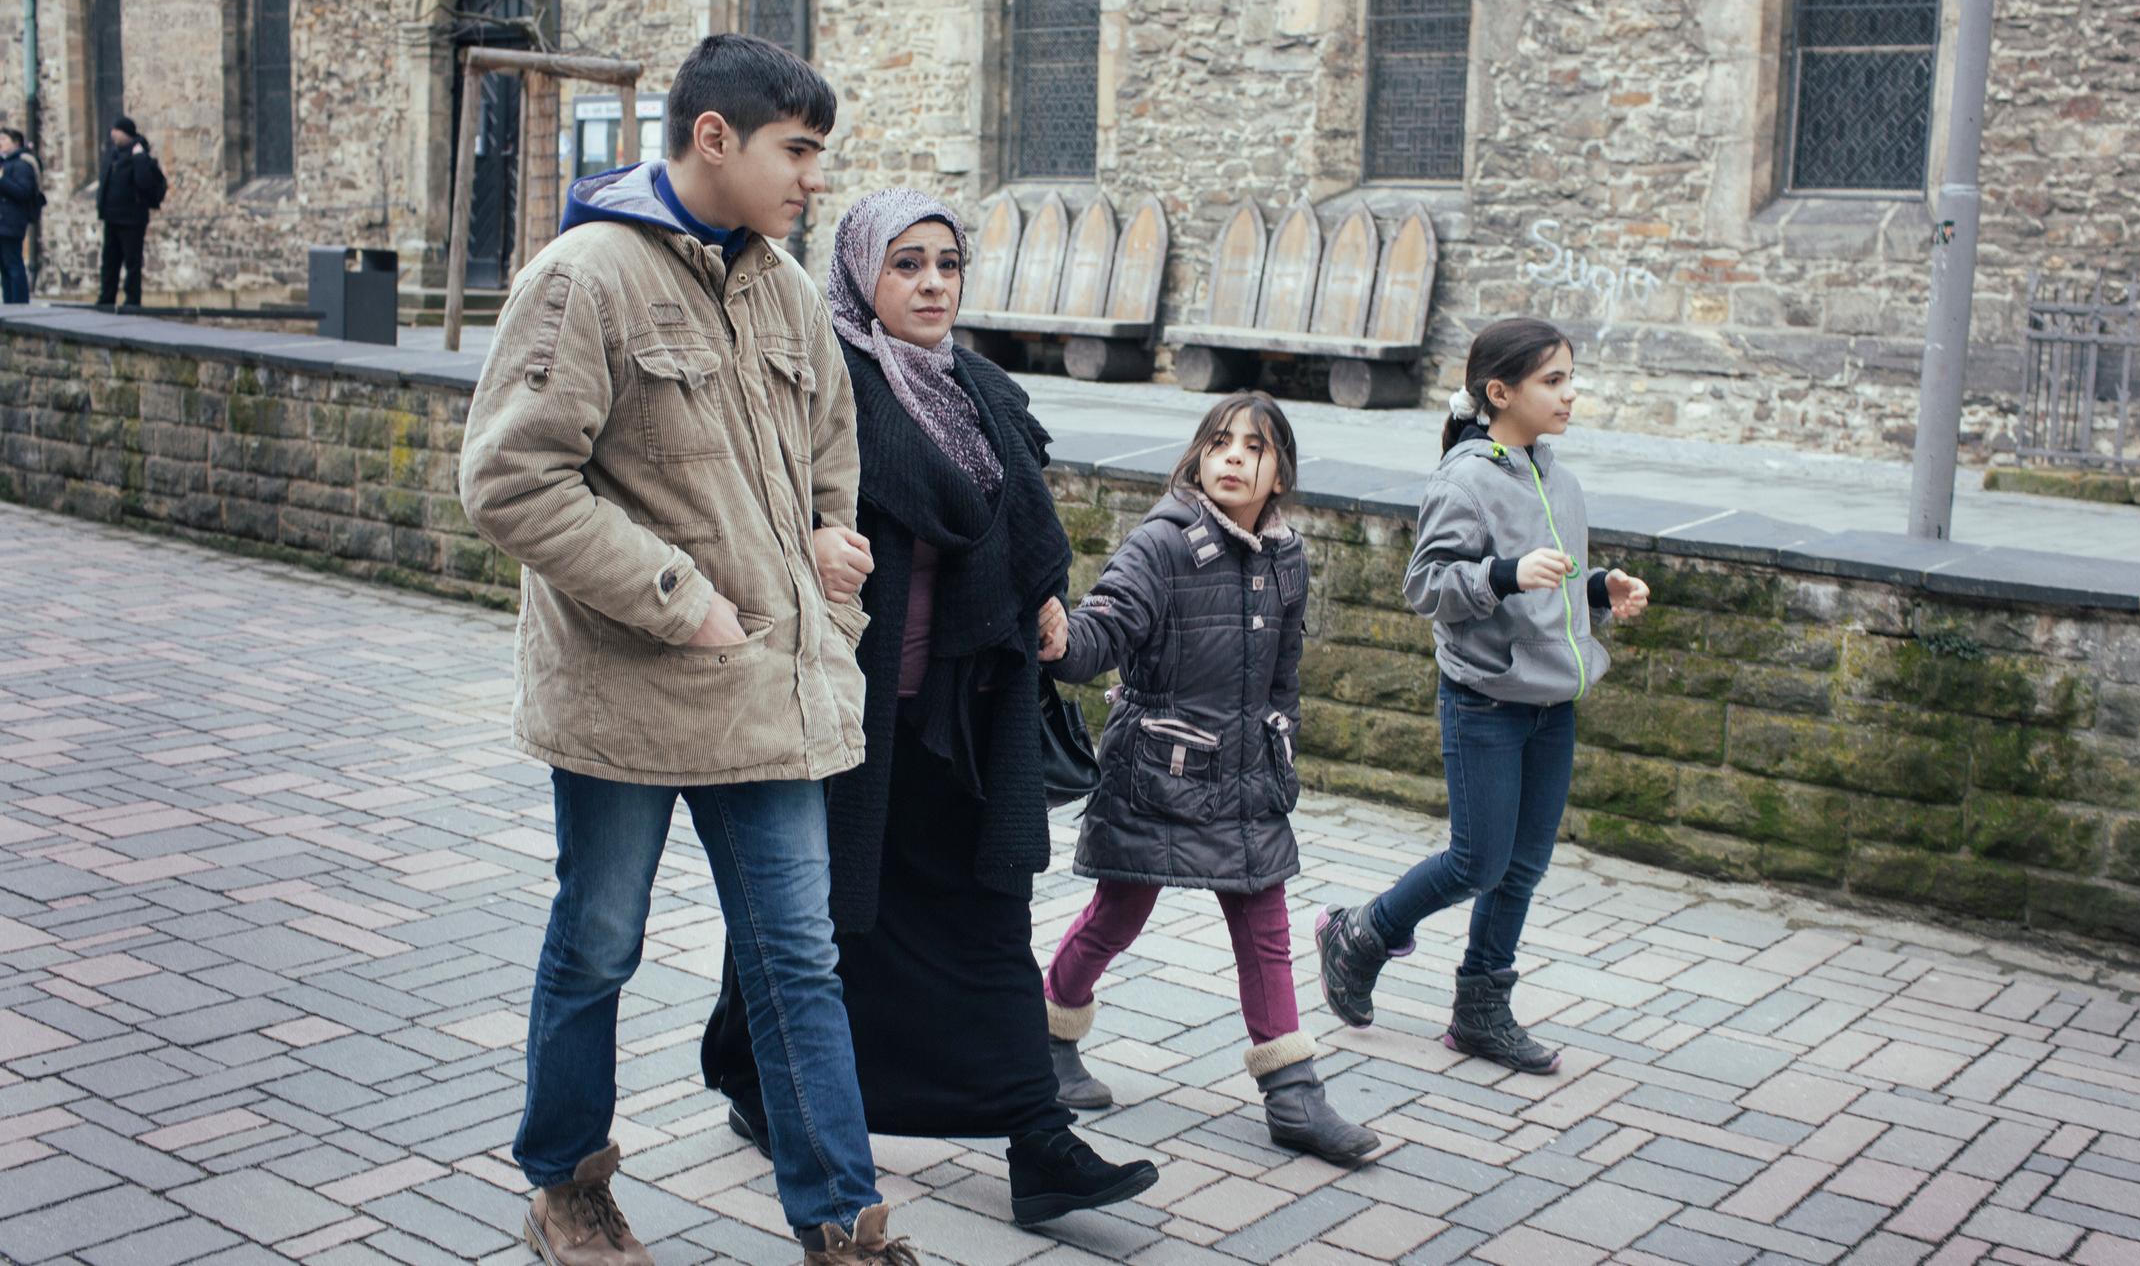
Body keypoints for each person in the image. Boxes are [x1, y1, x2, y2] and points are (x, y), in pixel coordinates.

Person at [459, 33, 915, 1266]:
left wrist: (832, 544)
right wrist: (679, 597)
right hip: (625, 691)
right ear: (713, 137)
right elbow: (509, 481)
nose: (813, 179)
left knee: (798, 961)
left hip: (767, 690)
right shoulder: (583, 278)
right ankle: (565, 1181)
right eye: (798, 151)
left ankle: (842, 1224)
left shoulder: (777, 284)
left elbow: (832, 442)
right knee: (600, 939)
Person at [698, 190, 1160, 1228]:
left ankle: (1037, 1143)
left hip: (965, 709)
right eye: (907, 264)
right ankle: (745, 1067)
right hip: (843, 712)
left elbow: (1027, 525)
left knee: (990, 915)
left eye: (947, 264)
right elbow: (750, 513)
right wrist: (813, 545)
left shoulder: (983, 391)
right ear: (863, 273)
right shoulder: (824, 384)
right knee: (819, 918)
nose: (932, 284)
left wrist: (1043, 593)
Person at [1038, 393, 1380, 1166]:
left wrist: (1281, 746)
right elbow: (1104, 629)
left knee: (1264, 927)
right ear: (1197, 456)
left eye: (1253, 448)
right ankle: (1050, 1029)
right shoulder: (1163, 543)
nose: (1233, 456)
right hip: (1158, 771)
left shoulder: (1286, 558)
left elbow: (1284, 677)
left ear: (1280, 475)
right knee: (1118, 914)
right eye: (1219, 442)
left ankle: (1294, 1096)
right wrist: (1061, 638)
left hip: (1250, 775)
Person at [1317, 318, 1651, 1074]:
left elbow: (1551, 583)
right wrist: (1501, 572)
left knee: (1524, 866)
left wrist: (1601, 589)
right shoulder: (1465, 477)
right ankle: (1361, 932)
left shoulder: (1557, 477)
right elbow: (1425, 585)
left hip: (1552, 700)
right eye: (1554, 381)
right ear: (1500, 393)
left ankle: (1481, 1010)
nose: (1571, 393)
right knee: (1478, 859)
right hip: (1485, 701)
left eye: (1570, 378)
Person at [95, 116, 164, 307]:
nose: (113, 134)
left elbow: (144, 182)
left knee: (132, 263)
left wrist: (140, 158)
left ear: (126, 133)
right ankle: (106, 297)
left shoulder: (140, 155)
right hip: (112, 217)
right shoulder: (113, 154)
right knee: (109, 261)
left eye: (117, 130)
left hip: (132, 219)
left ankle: (132, 300)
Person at [0, 129, 43, 304]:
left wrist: (1, 180)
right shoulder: (0, 162)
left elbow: (23, 192)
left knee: (13, 264)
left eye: (4, 139)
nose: (0, 142)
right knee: (3, 265)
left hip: (11, 222)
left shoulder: (22, 164)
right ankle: (8, 303)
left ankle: (19, 304)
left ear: (16, 143)